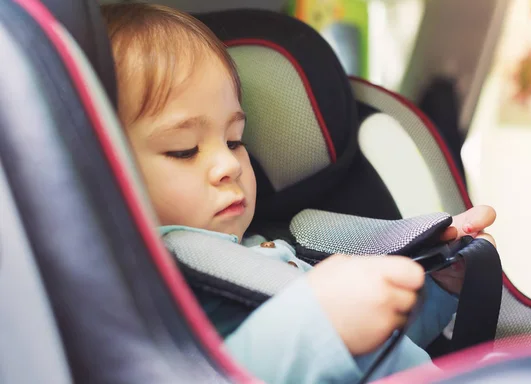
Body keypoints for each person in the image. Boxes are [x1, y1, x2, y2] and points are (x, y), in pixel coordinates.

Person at [101, 4, 497, 383]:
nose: (229, 165)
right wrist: (318, 324)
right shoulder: (144, 292)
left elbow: (377, 349)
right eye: (184, 150)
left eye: (235, 141)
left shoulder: (265, 251)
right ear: (96, 170)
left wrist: (436, 283)